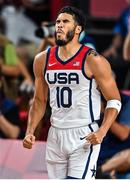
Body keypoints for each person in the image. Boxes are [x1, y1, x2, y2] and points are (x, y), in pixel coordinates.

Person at [23, 6, 121, 179]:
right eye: (58, 22)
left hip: (84, 134)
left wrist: (102, 131)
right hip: (55, 134)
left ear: (78, 29)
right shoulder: (42, 60)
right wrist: (30, 131)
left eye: (65, 21)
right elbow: (39, 100)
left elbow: (114, 100)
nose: (59, 25)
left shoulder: (93, 59)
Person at [96, 91, 130, 178]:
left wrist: (105, 113)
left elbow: (123, 134)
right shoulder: (91, 96)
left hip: (116, 156)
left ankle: (100, 172)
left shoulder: (126, 101)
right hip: (96, 151)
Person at [102, 7, 130, 89]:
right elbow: (119, 34)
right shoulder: (126, 12)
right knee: (104, 59)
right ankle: (114, 91)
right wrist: (112, 47)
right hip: (126, 47)